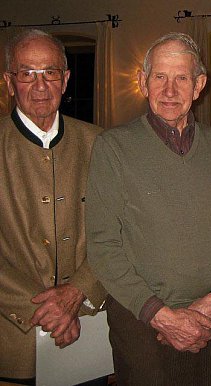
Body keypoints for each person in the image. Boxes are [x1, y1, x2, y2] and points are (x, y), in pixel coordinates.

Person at [86, 32, 211, 385]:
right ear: (142, 82)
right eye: (159, 77)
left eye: (181, 78)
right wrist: (161, 316)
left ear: (199, 85)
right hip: (143, 327)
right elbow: (103, 246)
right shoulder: (113, 148)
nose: (170, 90)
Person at [0, 29, 107, 384]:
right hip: (14, 341)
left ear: (66, 79)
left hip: (88, 332)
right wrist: (50, 310)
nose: (40, 84)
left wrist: (78, 292)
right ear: (9, 81)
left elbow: (117, 232)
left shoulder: (99, 144)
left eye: (51, 72)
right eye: (27, 73)